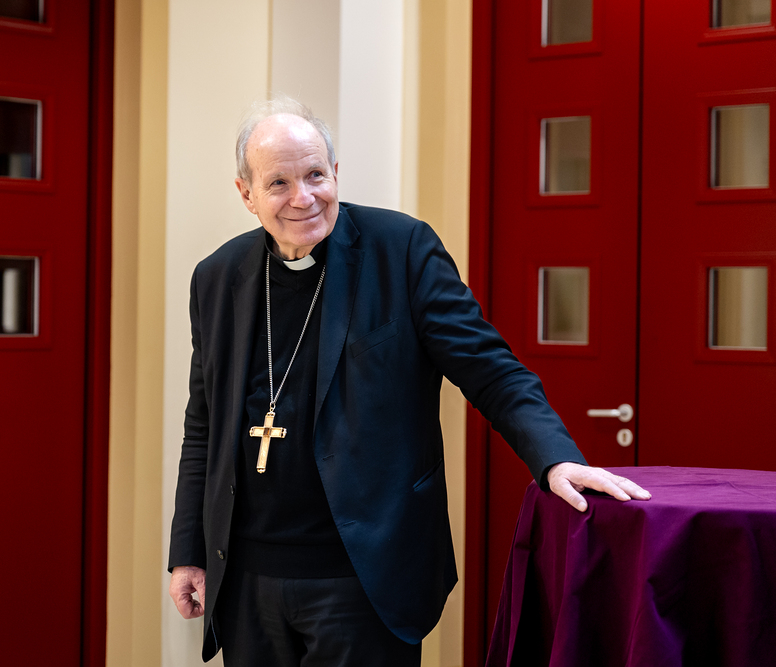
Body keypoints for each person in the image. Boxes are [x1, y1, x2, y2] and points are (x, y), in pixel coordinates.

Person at [167, 96, 650, 666]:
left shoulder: (401, 250)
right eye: (278, 183)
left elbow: (490, 368)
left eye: (316, 174)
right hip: (248, 580)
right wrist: (189, 549)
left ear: (335, 171)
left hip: (363, 575)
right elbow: (204, 425)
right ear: (246, 194)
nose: (303, 197)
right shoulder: (217, 277)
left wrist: (555, 458)